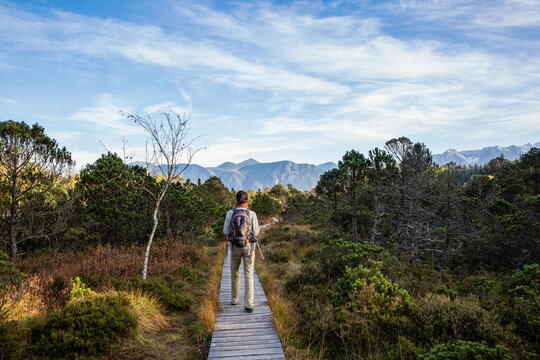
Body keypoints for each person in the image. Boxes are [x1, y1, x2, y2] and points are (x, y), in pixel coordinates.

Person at [223, 190, 260, 313]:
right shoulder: (252, 214)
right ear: (247, 200)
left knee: (235, 273)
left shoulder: (230, 213)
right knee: (249, 274)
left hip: (234, 247)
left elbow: (225, 230)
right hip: (248, 248)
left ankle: (234, 299)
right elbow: (256, 232)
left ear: (236, 200)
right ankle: (248, 305)